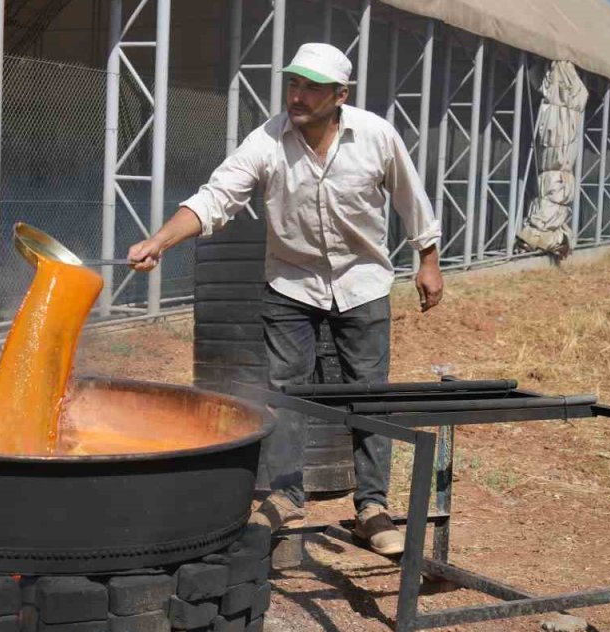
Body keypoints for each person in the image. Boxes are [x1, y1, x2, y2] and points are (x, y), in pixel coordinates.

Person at [128, 43, 444, 556]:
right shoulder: (267, 141)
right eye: (293, 84)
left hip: (362, 281)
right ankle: (285, 496)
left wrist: (427, 259)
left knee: (368, 395)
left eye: (312, 88)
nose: (298, 96)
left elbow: (411, 197)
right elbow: (216, 197)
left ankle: (372, 505)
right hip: (291, 283)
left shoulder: (376, 136)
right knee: (284, 392)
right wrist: (159, 242)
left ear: (340, 95)